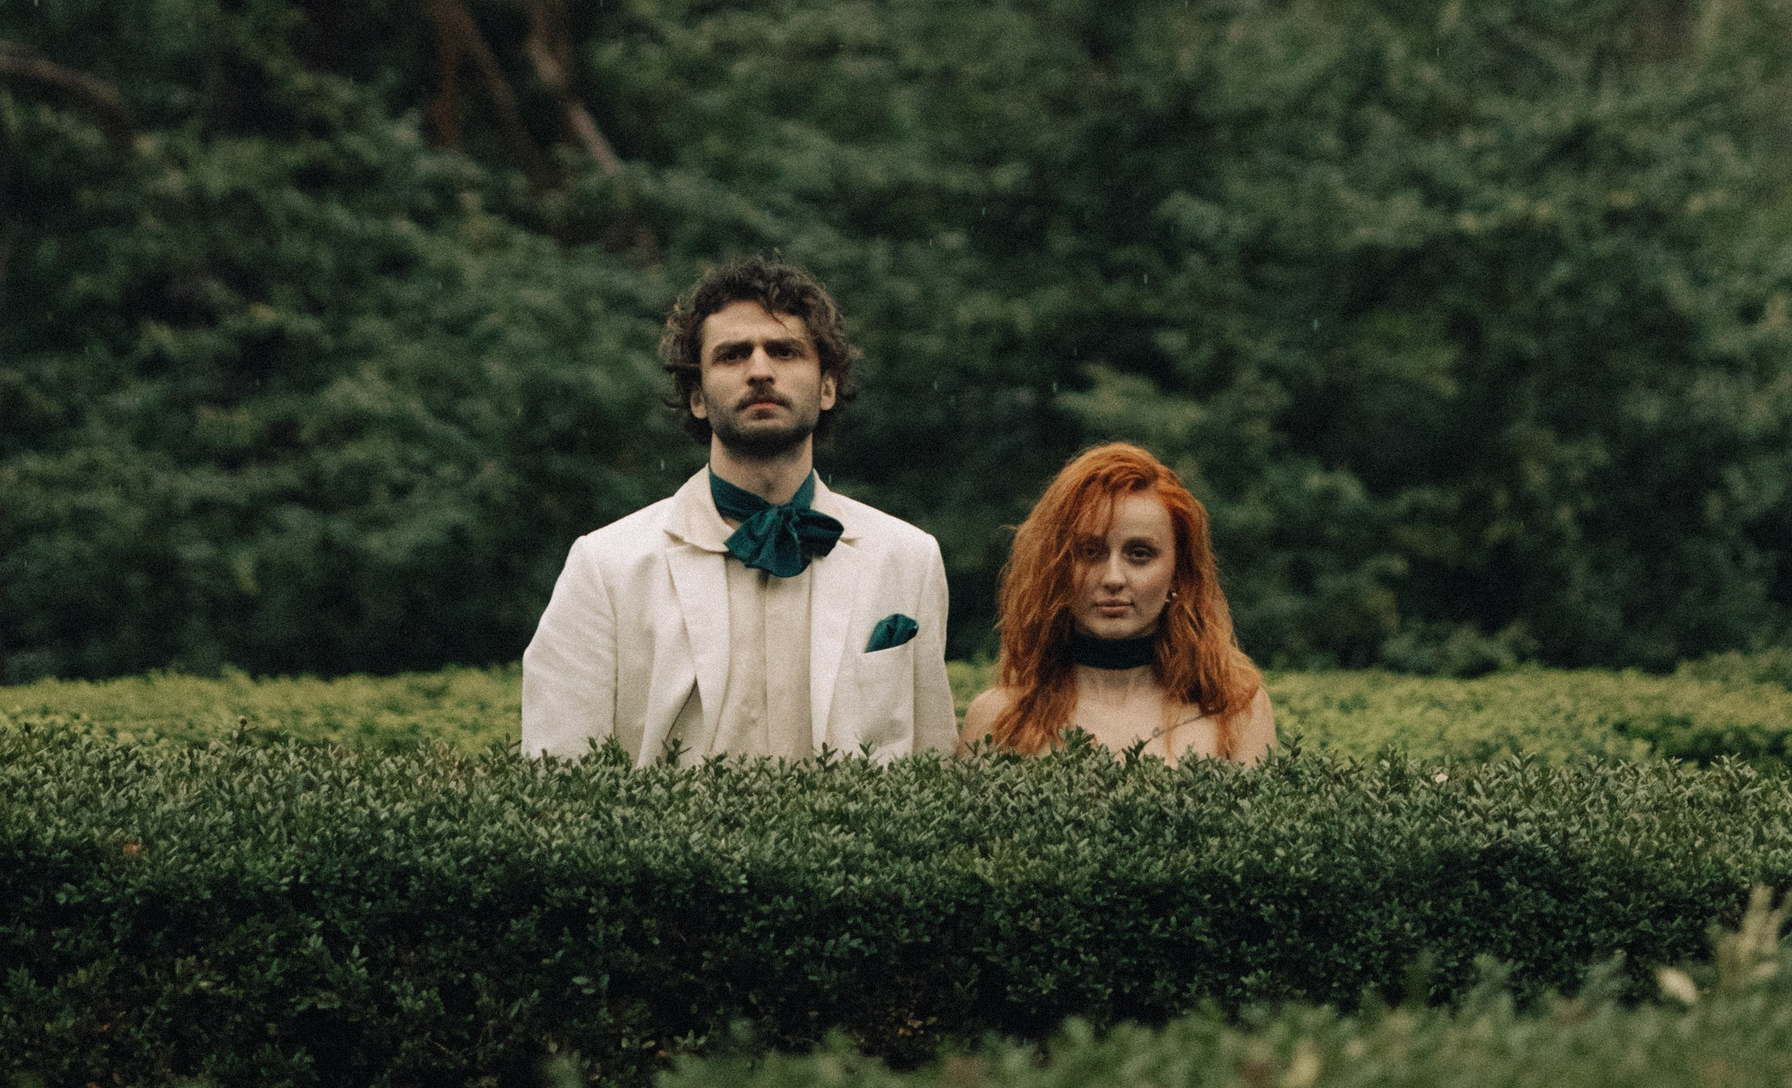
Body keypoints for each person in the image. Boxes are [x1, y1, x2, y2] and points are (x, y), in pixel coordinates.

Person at [522, 252, 958, 763]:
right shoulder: (605, 567)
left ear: (827, 387)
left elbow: (932, 764)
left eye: (785, 351)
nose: (760, 371)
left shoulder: (909, 559)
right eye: (731, 355)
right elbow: (560, 771)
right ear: (697, 397)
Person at [959, 442, 1276, 763]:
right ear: (1056, 566)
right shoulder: (998, 719)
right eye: (1090, 552)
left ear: (1179, 573)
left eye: (1139, 554)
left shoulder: (1236, 713)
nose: (1113, 578)